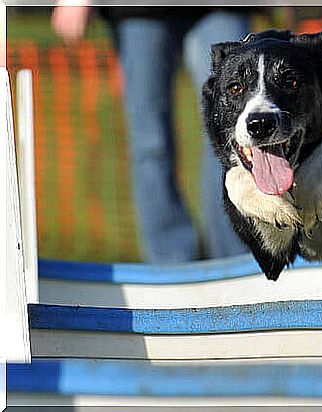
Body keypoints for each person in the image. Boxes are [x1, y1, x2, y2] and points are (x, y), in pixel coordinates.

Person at [52, 6, 249, 263]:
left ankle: (236, 260)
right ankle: (172, 266)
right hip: (139, 11)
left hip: (222, 7)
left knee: (233, 135)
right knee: (150, 142)